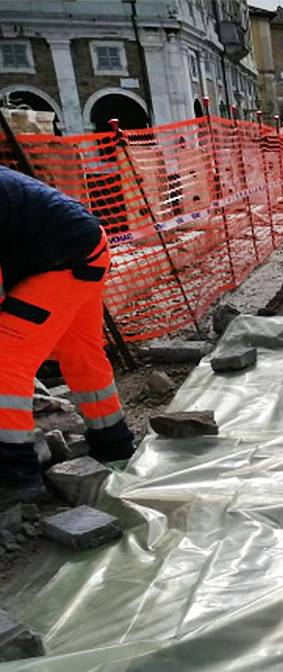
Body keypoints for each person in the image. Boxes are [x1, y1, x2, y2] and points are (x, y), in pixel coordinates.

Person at [0, 166, 135, 504]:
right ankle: (113, 443)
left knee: (5, 358)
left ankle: (14, 476)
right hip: (87, 247)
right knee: (82, 354)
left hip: (62, 259)